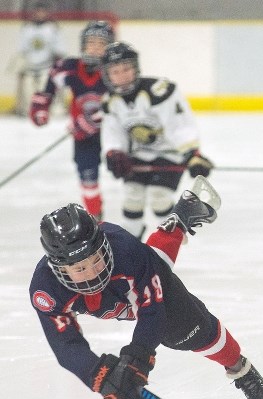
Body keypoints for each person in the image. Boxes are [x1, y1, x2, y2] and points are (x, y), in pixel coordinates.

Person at [30, 177, 263, 399]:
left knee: (188, 332)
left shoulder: (125, 248)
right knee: (151, 262)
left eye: (96, 260)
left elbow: (151, 310)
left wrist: (139, 357)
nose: (93, 274)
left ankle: (240, 368)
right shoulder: (46, 290)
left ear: (103, 244)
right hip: (123, 287)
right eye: (80, 269)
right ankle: (181, 218)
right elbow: (65, 344)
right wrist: (99, 376)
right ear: (59, 268)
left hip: (133, 283)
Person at [99, 41, 213, 239]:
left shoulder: (159, 91)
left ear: (136, 68)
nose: (122, 76)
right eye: (115, 72)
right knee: (132, 195)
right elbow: (112, 131)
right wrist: (114, 151)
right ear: (107, 75)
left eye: (126, 69)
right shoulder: (110, 101)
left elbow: (179, 124)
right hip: (138, 155)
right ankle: (130, 240)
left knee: (159, 197)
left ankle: (172, 236)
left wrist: (191, 154)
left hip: (169, 155)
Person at [29, 21, 115, 219]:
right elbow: (49, 87)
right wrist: (41, 106)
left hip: (113, 135)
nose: (94, 47)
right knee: (87, 177)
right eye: (90, 42)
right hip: (83, 136)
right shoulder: (70, 68)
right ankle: (96, 218)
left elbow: (119, 103)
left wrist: (93, 121)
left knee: (129, 176)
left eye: (100, 43)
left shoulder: (115, 70)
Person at [12, 1, 65, 116]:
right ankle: (25, 111)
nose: (40, 14)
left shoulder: (53, 28)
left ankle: (49, 110)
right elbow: (22, 51)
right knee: (27, 90)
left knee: (47, 91)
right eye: (38, 11)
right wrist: (20, 67)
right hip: (30, 67)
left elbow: (59, 51)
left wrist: (57, 67)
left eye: (43, 11)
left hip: (47, 67)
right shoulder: (27, 28)